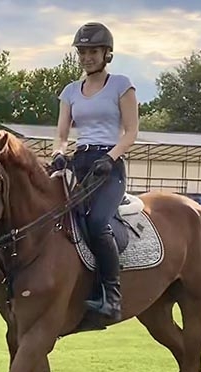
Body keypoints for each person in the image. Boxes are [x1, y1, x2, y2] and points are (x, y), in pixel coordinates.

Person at [52, 22, 139, 321]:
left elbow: (131, 132)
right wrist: (58, 153)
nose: (87, 57)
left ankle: (112, 296)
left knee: (98, 222)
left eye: (93, 52)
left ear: (106, 54)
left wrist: (111, 157)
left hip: (109, 166)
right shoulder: (70, 91)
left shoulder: (121, 85)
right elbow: (62, 134)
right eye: (83, 52)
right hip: (80, 163)